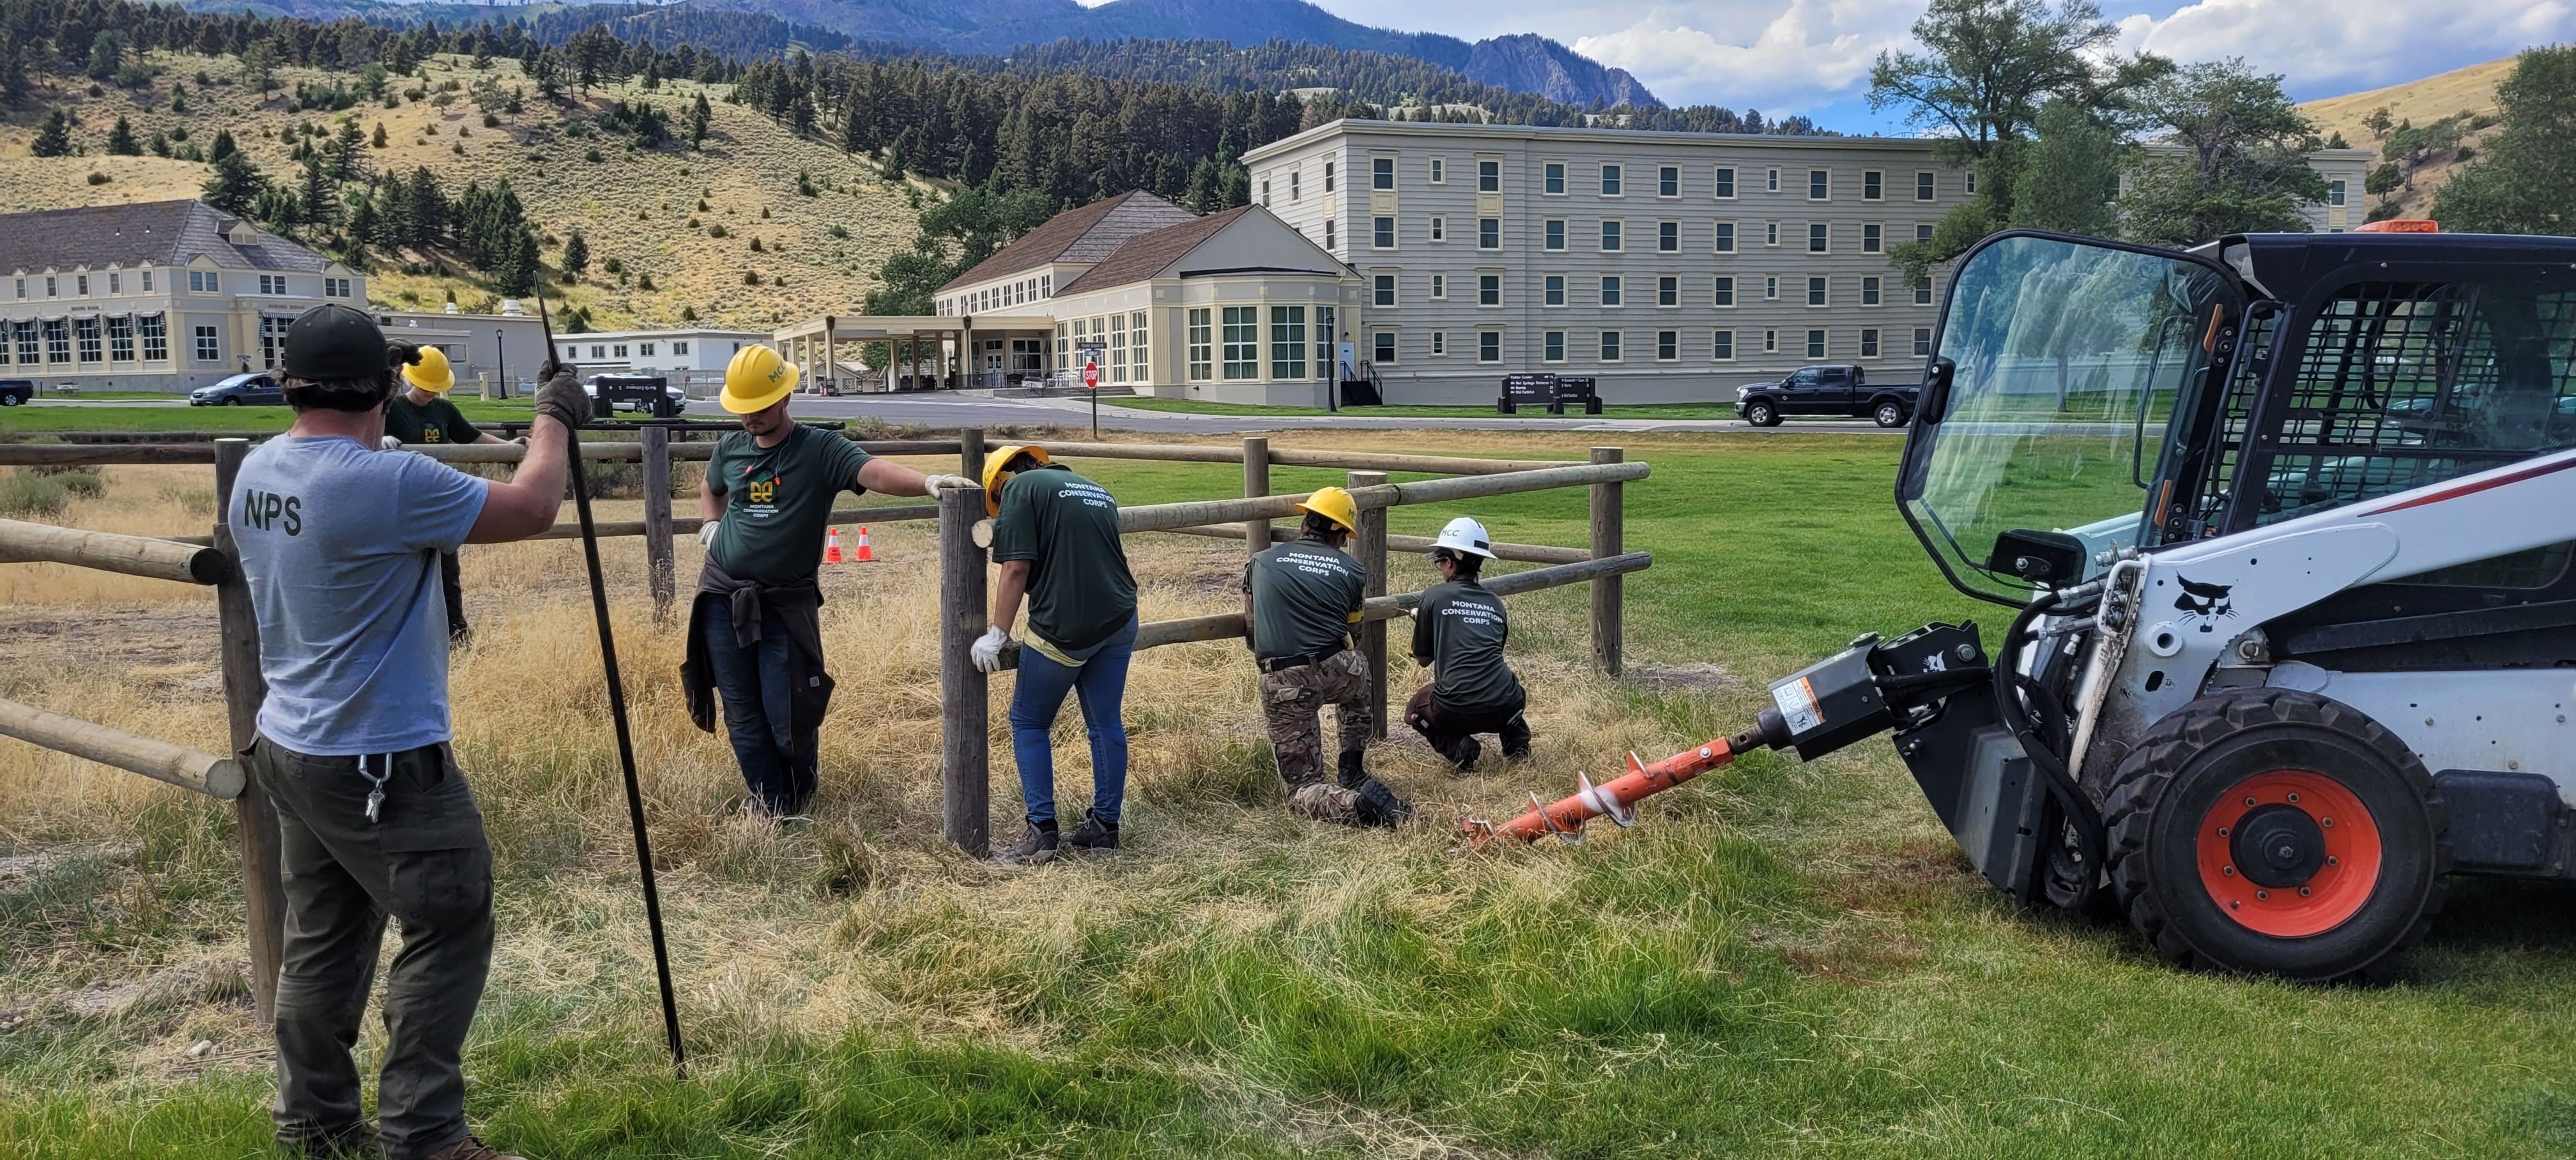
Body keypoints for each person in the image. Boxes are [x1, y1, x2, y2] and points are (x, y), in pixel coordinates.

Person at [229, 303, 592, 1160]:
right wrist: (554, 415)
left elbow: (364, 462)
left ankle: (314, 1124)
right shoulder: (386, 485)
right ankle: (425, 1135)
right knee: (448, 919)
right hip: (382, 756)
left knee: (324, 935)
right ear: (389, 389)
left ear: (288, 386)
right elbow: (535, 506)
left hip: (292, 742)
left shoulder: (261, 469)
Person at [680, 345, 977, 816]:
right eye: (743, 410)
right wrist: (711, 525)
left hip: (784, 602)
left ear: (785, 398)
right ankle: (769, 804)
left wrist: (926, 483)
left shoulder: (819, 449)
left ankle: (800, 794)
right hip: (722, 594)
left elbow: (873, 471)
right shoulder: (729, 449)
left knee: (790, 706)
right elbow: (710, 487)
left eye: (759, 408)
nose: (750, 419)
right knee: (740, 707)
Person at [968, 445, 1139, 864]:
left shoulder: (1021, 490)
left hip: (1066, 624)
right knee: (1105, 723)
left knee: (1028, 721)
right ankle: (1104, 828)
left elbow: (1016, 568)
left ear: (1003, 480)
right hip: (1120, 618)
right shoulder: (1092, 487)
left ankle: (1042, 833)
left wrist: (997, 634)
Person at [1242, 485, 1413, 827]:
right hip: (1337, 668)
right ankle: (1352, 766)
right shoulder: (1352, 572)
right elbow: (1356, 633)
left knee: (1302, 790)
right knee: (1359, 668)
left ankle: (1358, 806)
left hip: (1285, 679)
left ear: (1306, 521)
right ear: (1339, 533)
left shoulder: (1260, 562)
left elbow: (1251, 629)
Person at [379, 346, 509, 645]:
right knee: (405, 569)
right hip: (403, 499)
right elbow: (365, 439)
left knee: (448, 570)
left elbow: (474, 438)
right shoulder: (393, 409)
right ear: (410, 380)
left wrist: (510, 448)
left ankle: (456, 633)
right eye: (425, 387)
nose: (429, 393)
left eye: (435, 389)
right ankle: (409, 637)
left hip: (438, 497)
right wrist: (380, 439)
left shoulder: (444, 411)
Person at [1404, 517, 1531, 773]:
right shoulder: (1495, 602)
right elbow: (1491, 652)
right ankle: (1518, 746)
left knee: (1414, 710)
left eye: (1440, 562)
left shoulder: (1433, 596)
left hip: (1455, 708)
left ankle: (1457, 747)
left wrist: (1429, 622)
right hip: (1507, 702)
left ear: (1450, 562)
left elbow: (1423, 658)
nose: (1440, 568)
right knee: (1503, 691)